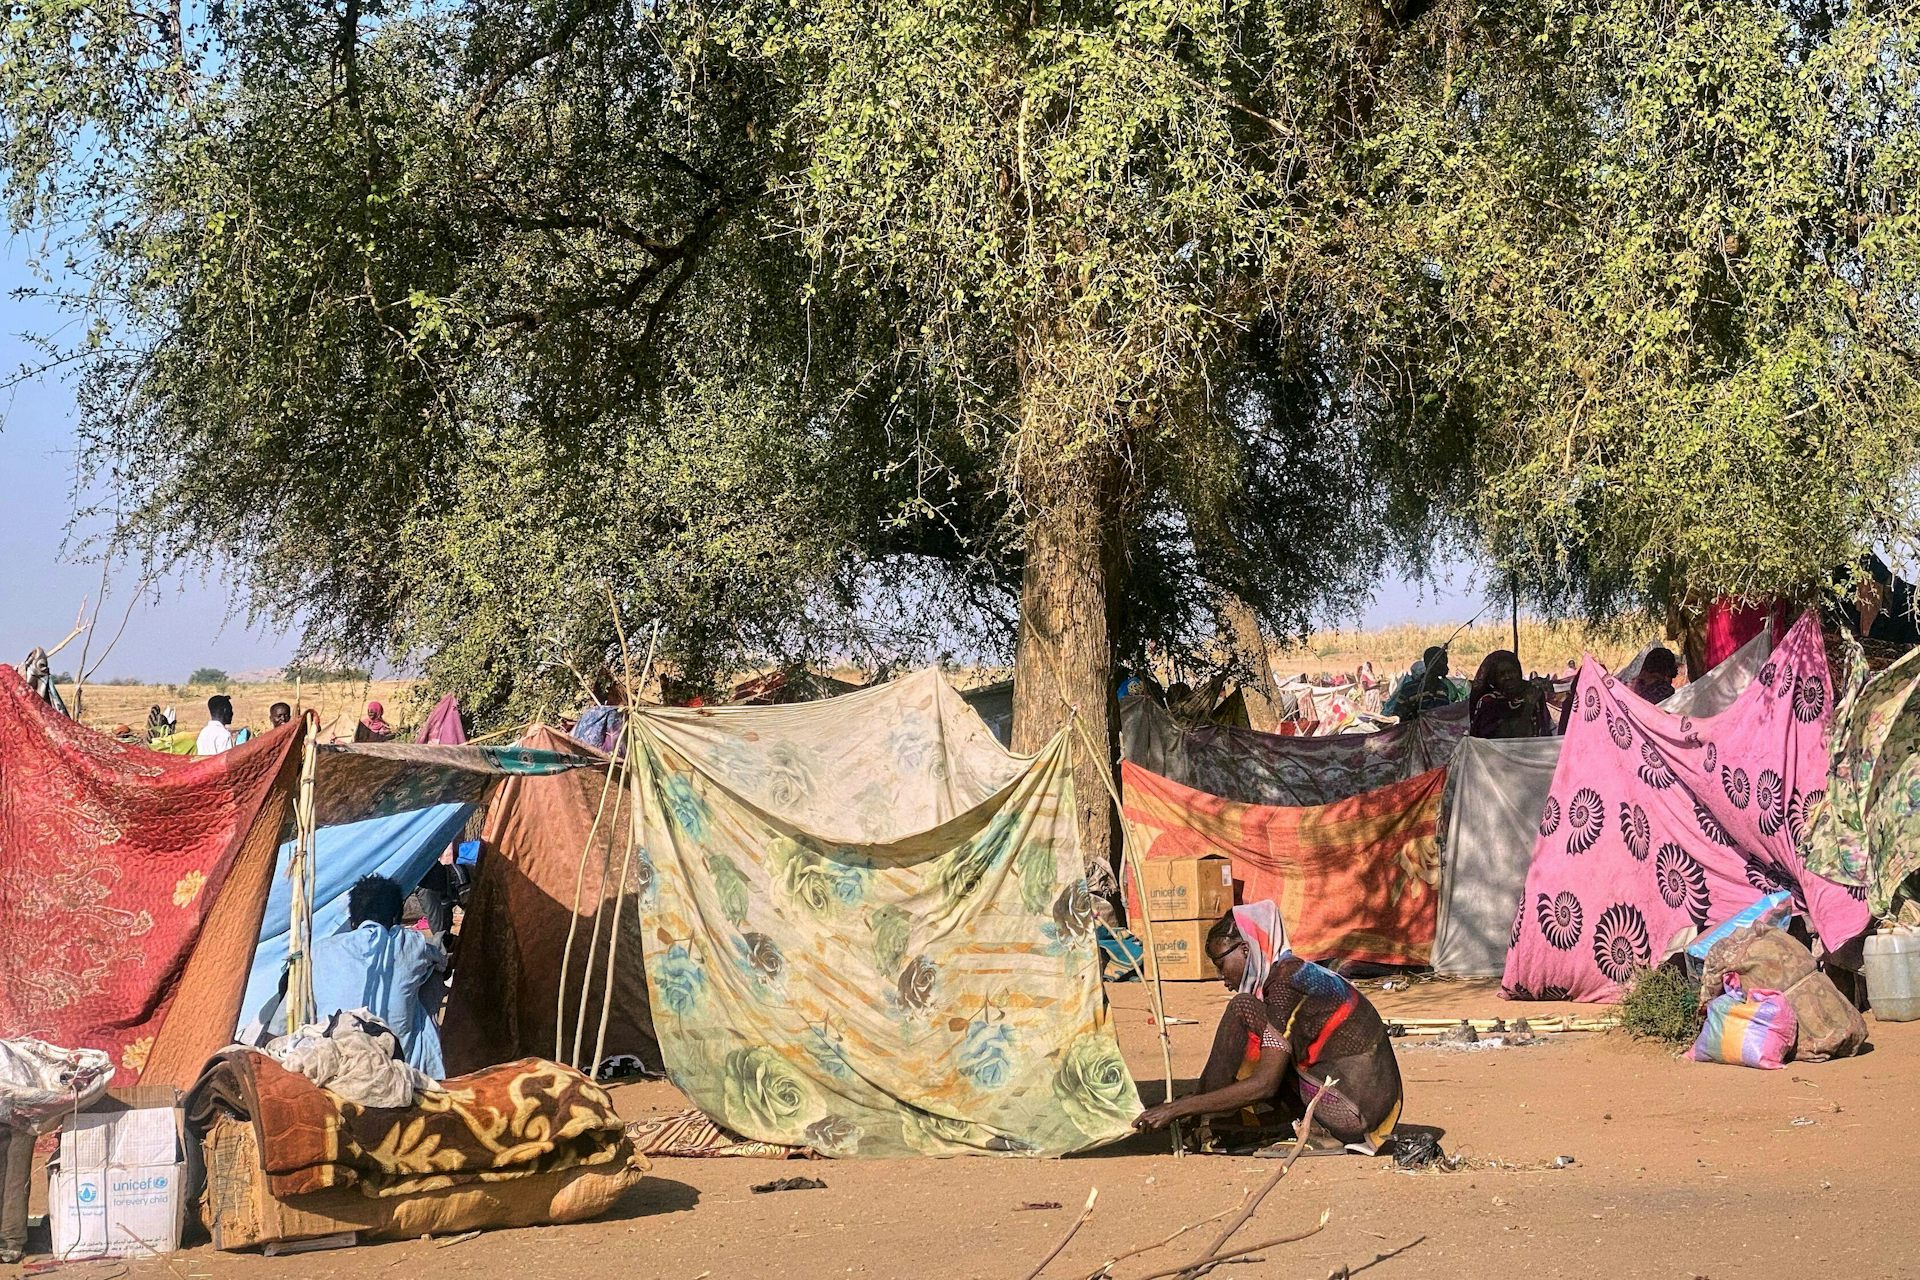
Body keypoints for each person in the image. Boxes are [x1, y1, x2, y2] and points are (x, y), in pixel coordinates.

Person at [1133, 903, 1404, 1154]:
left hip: (1351, 1113)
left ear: (1245, 950)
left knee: (1242, 1008)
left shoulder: (1286, 983)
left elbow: (1265, 1084)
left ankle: (1207, 1120)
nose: (1221, 976)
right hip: (1363, 1105)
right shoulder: (1291, 973)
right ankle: (1205, 1114)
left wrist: (1179, 1108)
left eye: (1220, 964)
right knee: (1248, 1012)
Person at [309, 875, 449, 1077]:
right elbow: (441, 961)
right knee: (431, 974)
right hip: (399, 1065)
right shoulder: (410, 942)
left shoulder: (320, 949)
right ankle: (429, 1068)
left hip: (334, 1057)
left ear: (352, 921)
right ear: (395, 919)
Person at [1469, 650, 1550, 739]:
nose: (1508, 677)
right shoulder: (1489, 702)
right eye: (1502, 674)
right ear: (1494, 678)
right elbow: (1511, 739)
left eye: (1512, 672)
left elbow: (1545, 728)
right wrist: (1529, 706)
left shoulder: (1532, 692)